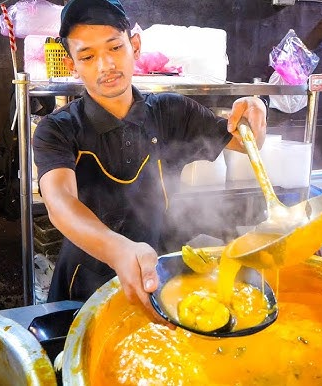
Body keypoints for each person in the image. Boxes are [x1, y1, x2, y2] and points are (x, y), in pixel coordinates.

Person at [33, 0, 267, 317]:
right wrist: (118, 250)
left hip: (160, 272)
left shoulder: (172, 111)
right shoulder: (58, 129)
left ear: (135, 45)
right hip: (84, 283)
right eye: (87, 56)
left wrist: (255, 107)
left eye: (114, 47)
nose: (104, 65)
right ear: (72, 63)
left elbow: (244, 142)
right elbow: (60, 203)